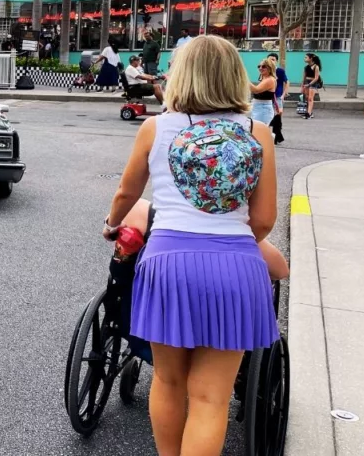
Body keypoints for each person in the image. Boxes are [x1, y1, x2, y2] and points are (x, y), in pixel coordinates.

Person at [104, 34, 279, 456]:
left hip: (168, 263)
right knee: (210, 398)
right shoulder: (258, 133)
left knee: (168, 381)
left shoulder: (156, 127)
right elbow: (264, 219)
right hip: (236, 267)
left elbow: (128, 193)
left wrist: (112, 225)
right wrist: (228, 242)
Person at [124, 199, 289, 281]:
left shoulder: (140, 211)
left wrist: (110, 227)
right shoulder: (233, 231)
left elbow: (112, 224)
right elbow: (281, 271)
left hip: (145, 312)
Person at [267, 53, 289, 145]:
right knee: (268, 116)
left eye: (273, 59)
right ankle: (269, 135)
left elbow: (287, 81)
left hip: (277, 96)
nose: (271, 61)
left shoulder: (279, 71)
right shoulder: (265, 70)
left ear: (276, 61)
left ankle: (277, 134)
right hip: (268, 96)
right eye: (269, 59)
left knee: (278, 115)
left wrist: (284, 94)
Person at [250, 57, 278, 126]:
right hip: (260, 107)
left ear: (270, 68)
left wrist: (243, 79)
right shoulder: (265, 78)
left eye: (264, 66)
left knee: (259, 132)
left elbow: (256, 90)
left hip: (263, 109)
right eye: (259, 66)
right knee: (258, 131)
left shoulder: (270, 80)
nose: (260, 68)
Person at [301, 53, 323, 119]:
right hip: (307, 82)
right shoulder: (306, 67)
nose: (304, 59)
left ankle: (309, 114)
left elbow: (316, 78)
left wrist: (309, 84)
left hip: (313, 83)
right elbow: (304, 78)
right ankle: (309, 111)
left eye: (306, 57)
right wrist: (302, 86)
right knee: (307, 98)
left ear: (311, 59)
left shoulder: (316, 67)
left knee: (310, 98)